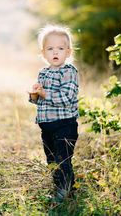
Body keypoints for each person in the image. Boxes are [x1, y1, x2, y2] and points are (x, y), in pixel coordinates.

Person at [28, 24, 79, 203]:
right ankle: (63, 187)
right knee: (51, 159)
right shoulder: (43, 72)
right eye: (50, 48)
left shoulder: (69, 72)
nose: (55, 52)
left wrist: (45, 94)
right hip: (47, 126)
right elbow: (38, 100)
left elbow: (66, 97)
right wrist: (35, 94)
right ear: (43, 53)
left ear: (68, 52)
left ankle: (63, 192)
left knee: (63, 159)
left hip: (65, 125)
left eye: (60, 48)